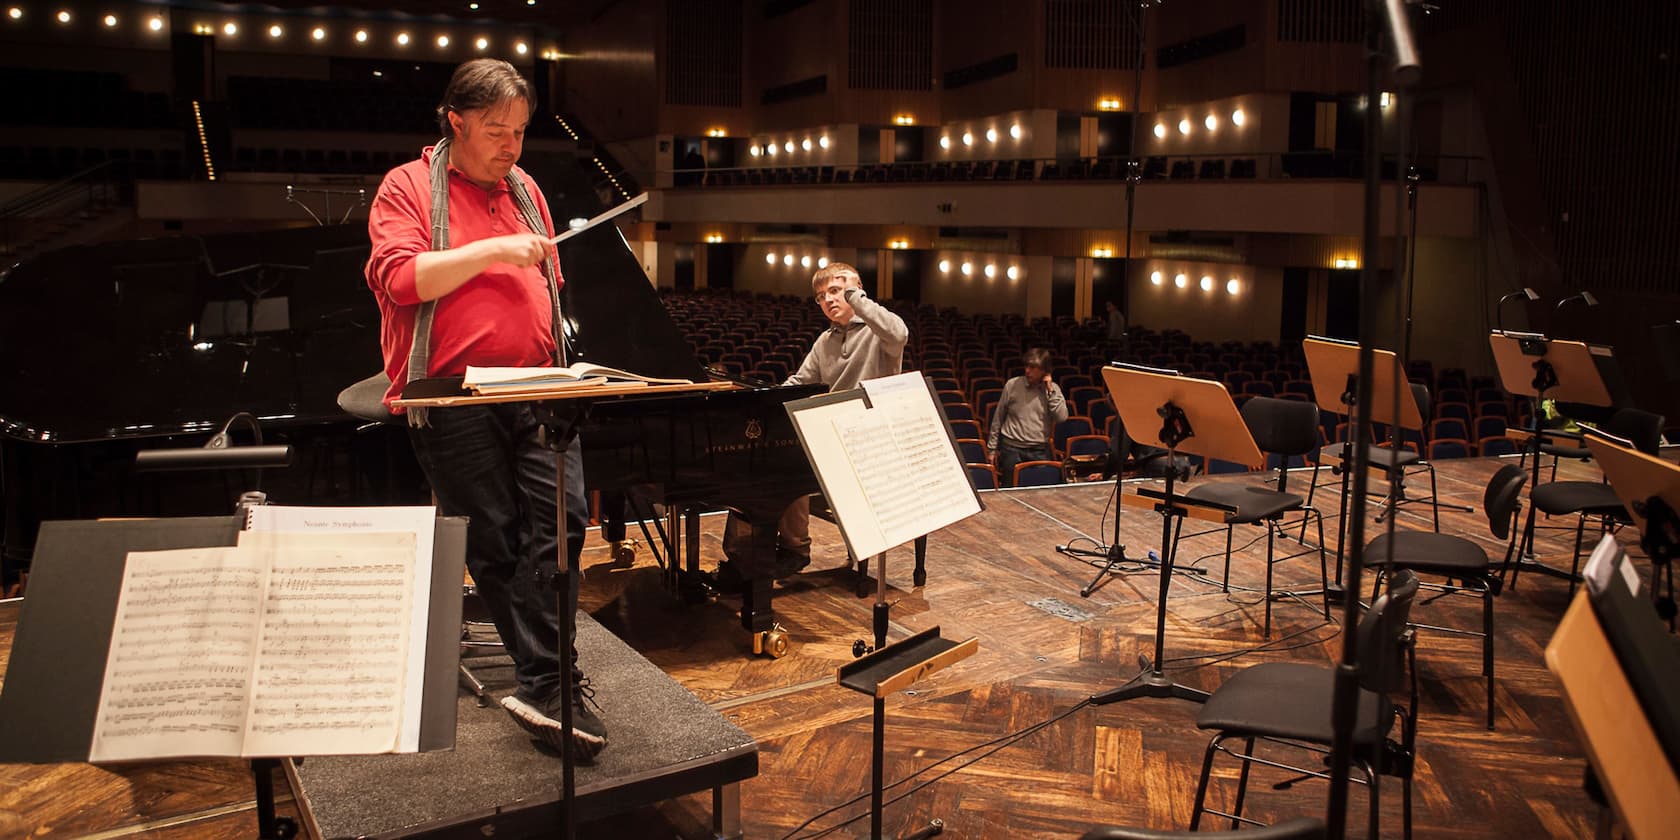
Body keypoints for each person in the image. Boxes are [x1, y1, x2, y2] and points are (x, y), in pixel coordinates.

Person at [364, 59, 606, 760]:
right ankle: (549, 680)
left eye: (522, 131)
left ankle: (546, 678)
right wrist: (495, 249)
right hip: (449, 392)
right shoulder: (407, 187)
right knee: (496, 540)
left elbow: (547, 283)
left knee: (563, 524)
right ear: (456, 121)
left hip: (533, 383)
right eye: (497, 131)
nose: (512, 146)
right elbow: (404, 280)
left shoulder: (525, 187)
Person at [718, 262, 909, 584]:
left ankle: (795, 549)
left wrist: (856, 297)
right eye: (821, 296)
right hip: (833, 434)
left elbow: (900, 333)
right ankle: (743, 553)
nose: (829, 300)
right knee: (759, 462)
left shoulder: (879, 334)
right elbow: (801, 381)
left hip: (870, 441)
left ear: (857, 289)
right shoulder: (826, 341)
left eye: (836, 291)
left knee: (788, 464)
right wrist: (763, 397)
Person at [988, 348, 1069, 487]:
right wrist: (992, 449)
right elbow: (998, 418)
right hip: (1011, 449)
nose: (1027, 371)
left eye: (1032, 367)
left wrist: (1050, 390)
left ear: (1044, 370)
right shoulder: (1012, 385)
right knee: (1010, 493)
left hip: (1039, 449)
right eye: (1026, 366)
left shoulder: (1052, 389)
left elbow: (1061, 417)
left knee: (1041, 494)